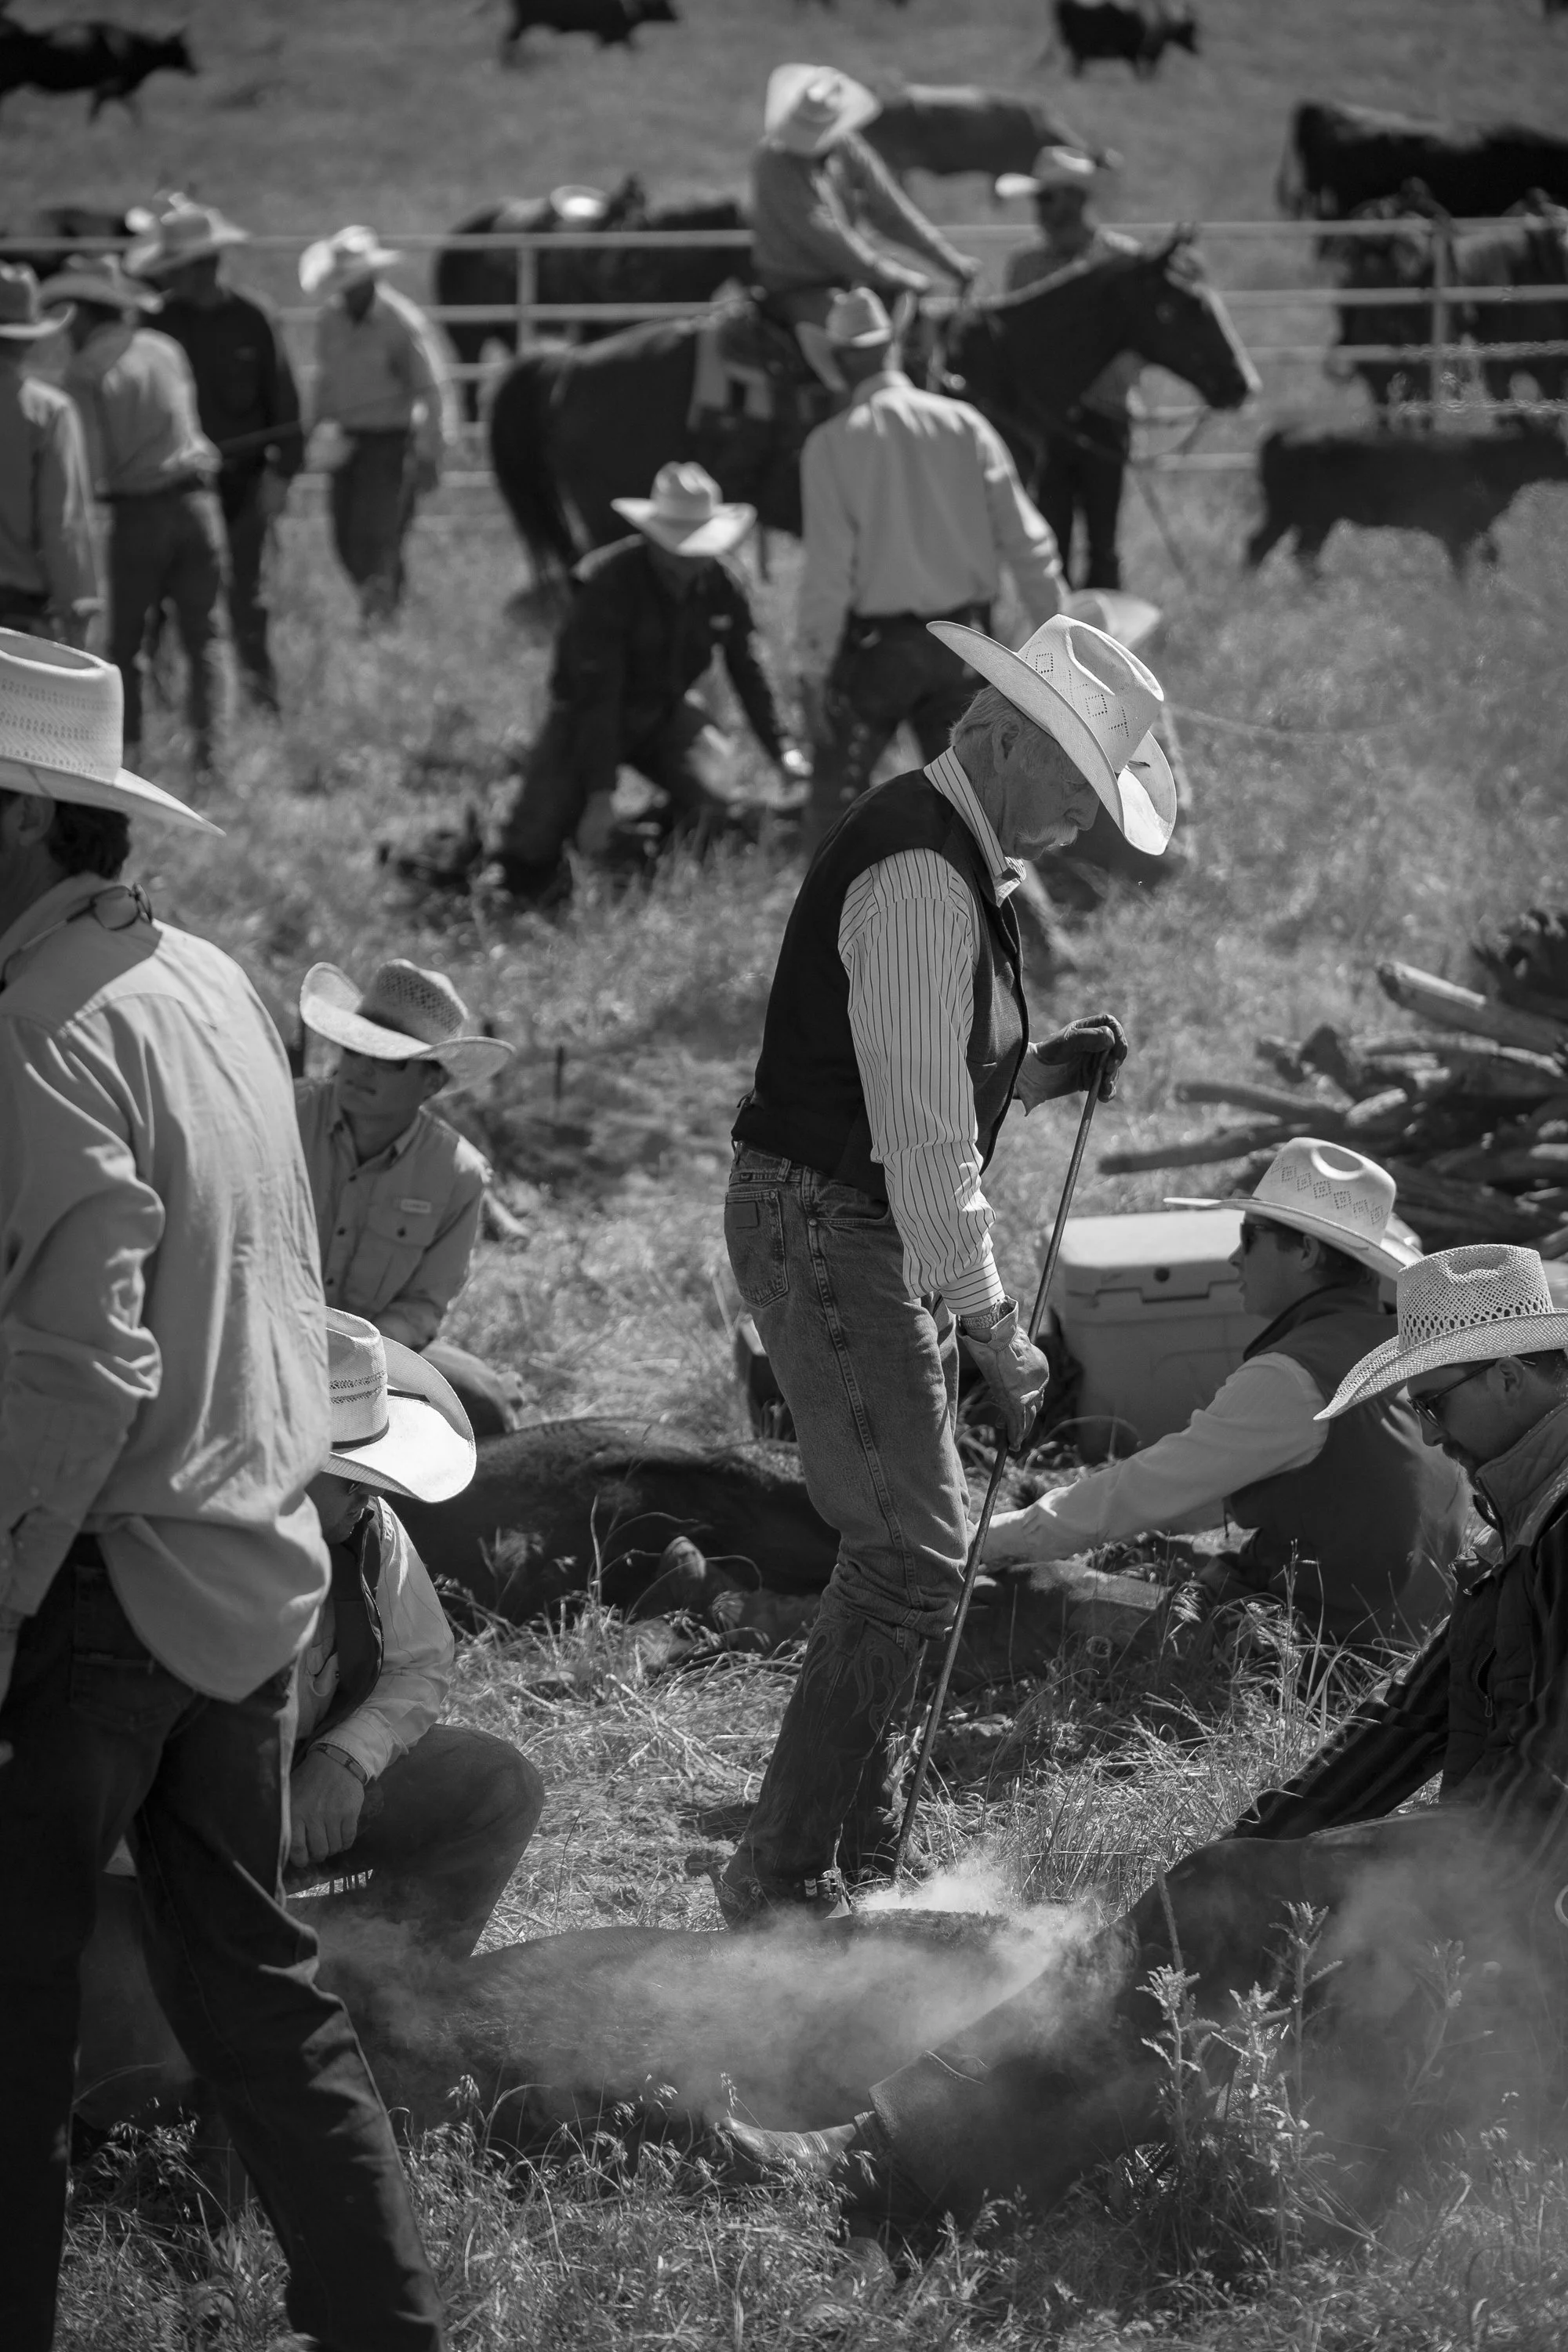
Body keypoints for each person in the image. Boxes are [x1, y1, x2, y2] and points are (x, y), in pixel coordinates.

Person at [717, 1243, 1568, 2230]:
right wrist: (1253, 1847)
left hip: (1533, 1893)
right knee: (1222, 1897)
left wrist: (1367, 1899)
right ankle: (1003, 2134)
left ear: (1509, 1377)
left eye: (1436, 1403)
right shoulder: (1533, 1510)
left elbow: (1538, 1797)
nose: (1430, 1431)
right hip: (1509, 1873)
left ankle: (895, 2166)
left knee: (1230, 1915)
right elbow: (1404, 1722)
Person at [0, 634, 445, 2349]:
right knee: (263, 2002)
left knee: (12, 2025)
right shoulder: (200, 980)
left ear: (28, 822)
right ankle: (384, 2325)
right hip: (249, 1570)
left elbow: (74, 1369)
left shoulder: (39, 1029)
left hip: (101, 1584)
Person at [717, 611, 1177, 1926]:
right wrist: (993, 1325)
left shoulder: (945, 860)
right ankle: (792, 1872)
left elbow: (915, 1081)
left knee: (910, 1549)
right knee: (916, 1550)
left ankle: (839, 1858)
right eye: (1080, 789)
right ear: (1004, 737)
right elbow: (919, 1137)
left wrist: (1029, 1076)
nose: (1088, 825)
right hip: (831, 1219)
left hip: (837, 1212)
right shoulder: (924, 876)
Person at [986, 1138, 1471, 1648]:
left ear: (1305, 1252)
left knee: (1043, 1596)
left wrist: (991, 1542)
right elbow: (1201, 1493)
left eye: (1250, 1235)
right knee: (1157, 1557)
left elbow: (1135, 1493)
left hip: (1315, 1646)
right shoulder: (1395, 1344)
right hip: (1408, 1630)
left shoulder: (1296, 1376)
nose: (1236, 1256)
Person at [794, 288, 1065, 848]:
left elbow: (827, 574)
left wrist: (813, 674)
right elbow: (1027, 541)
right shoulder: (964, 424)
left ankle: (832, 924)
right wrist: (1060, 644)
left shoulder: (830, 445)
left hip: (881, 654)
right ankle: (1022, 930)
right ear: (893, 348)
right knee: (980, 812)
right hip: (966, 647)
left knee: (832, 809)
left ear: (839, 362)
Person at [494, 463, 802, 905]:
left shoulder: (723, 583)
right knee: (531, 843)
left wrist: (783, 751)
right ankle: (553, 863)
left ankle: (645, 849)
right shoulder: (608, 585)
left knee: (719, 801)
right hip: (587, 717)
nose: (690, 558)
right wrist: (601, 795)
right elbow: (596, 696)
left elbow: (748, 669)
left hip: (664, 713)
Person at [294, 957, 521, 1438]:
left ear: (432, 1083)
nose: (360, 1070)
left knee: (484, 1407)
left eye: (389, 1061)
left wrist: (352, 1364)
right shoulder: (280, 1115)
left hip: (377, 1356)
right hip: (262, 1332)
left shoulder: (458, 1174)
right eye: (354, 1050)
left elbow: (423, 1305)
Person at [40, 254, 225, 782]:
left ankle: (127, 761)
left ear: (80, 314)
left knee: (126, 645)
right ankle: (210, 761)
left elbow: (88, 467)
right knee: (205, 637)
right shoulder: (164, 348)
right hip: (197, 505)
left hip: (139, 514)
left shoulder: (84, 372)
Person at [126, 195, 304, 713]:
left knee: (245, 597)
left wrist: (282, 474)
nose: (169, 278)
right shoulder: (153, 326)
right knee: (159, 599)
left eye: (177, 267)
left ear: (204, 265)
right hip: (173, 488)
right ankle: (158, 698)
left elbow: (285, 403)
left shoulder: (254, 318)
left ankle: (260, 696)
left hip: (244, 486)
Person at [999, 147, 1140, 591]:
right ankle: (1053, 649)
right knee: (1050, 533)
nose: (1039, 212)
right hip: (1048, 422)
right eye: (1039, 201)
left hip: (1106, 412)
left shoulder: (1122, 260)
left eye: (1048, 200)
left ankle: (1103, 645)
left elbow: (1137, 343)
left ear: (1077, 200)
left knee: (1104, 538)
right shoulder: (1024, 266)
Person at [300, 223, 456, 624]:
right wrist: (309, 430)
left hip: (389, 445)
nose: (347, 290)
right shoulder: (330, 320)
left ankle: (382, 616)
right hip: (345, 442)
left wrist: (430, 451)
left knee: (376, 537)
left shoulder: (399, 322)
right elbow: (326, 381)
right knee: (344, 538)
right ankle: (385, 606)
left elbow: (430, 389)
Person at [752, 64, 981, 333]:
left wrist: (949, 261)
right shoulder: (774, 163)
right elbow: (823, 234)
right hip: (797, 285)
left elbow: (890, 209)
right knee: (856, 344)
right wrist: (893, 275)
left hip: (849, 278)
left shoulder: (845, 145)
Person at [0, 264, 100, 643]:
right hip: (16, 608)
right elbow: (61, 519)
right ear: (28, 339)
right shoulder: (47, 412)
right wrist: (76, 602)